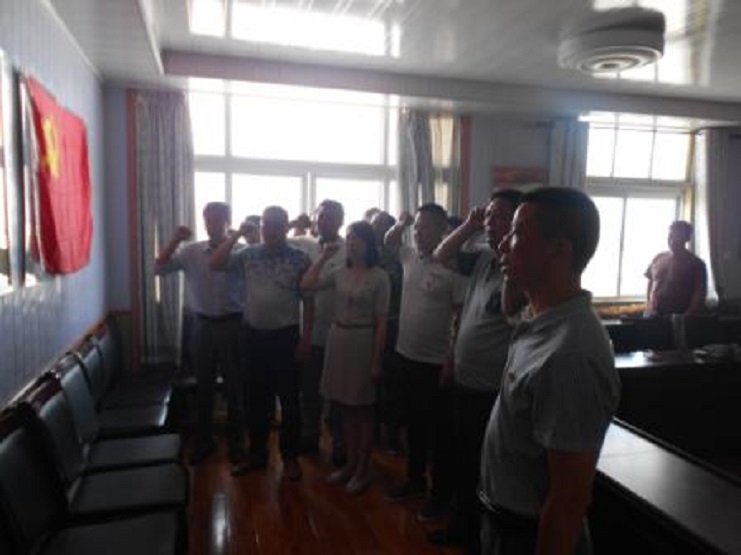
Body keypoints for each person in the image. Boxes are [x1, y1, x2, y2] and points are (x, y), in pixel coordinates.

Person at [479, 187, 621, 555]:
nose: (503, 243)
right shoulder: (539, 319)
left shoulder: (570, 353)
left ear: (559, 249)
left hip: (527, 537)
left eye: (517, 232)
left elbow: (569, 499)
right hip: (503, 524)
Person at [426, 189, 522, 552]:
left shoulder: (519, 270)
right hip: (464, 381)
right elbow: (439, 255)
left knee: (484, 469)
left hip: (492, 392)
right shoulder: (484, 260)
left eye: (501, 217)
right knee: (461, 463)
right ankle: (462, 528)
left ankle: (479, 537)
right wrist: (469, 224)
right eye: (489, 216)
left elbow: (515, 315)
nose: (491, 223)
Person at [211, 206, 313, 481]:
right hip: (253, 337)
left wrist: (306, 339)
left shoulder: (300, 258)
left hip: (285, 338)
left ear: (285, 226)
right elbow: (216, 263)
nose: (270, 229)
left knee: (289, 402)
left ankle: (290, 458)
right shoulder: (248, 253)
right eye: (266, 224)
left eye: (276, 224)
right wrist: (236, 236)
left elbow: (309, 302)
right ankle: (257, 453)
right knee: (255, 400)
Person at [383, 204, 466, 524]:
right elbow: (389, 241)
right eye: (417, 226)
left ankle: (440, 494)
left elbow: (459, 319)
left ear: (443, 230)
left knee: (440, 435)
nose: (418, 232)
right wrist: (402, 223)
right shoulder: (409, 257)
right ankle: (414, 480)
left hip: (436, 364)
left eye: (425, 226)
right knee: (413, 426)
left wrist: (450, 360)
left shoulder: (453, 269)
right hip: (406, 356)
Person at [154, 202, 246, 470]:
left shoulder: (241, 250)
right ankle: (204, 441)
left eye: (218, 219)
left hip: (233, 324)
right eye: (208, 220)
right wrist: (175, 239)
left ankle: (237, 443)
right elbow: (159, 268)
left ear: (228, 221)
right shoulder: (191, 251)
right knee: (204, 387)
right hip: (202, 325)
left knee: (234, 387)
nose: (212, 224)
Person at [300, 221, 390, 495]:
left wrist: (376, 361)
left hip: (363, 340)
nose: (351, 243)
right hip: (338, 339)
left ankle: (363, 469)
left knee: (363, 408)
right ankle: (350, 465)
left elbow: (382, 323)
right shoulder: (339, 271)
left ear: (369, 244)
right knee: (345, 408)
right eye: (349, 238)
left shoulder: (380, 277)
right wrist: (323, 257)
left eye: (357, 238)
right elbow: (307, 284)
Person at [294, 200, 347, 466]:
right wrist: (294, 223)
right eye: (321, 216)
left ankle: (339, 443)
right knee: (309, 390)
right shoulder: (303, 244)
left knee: (337, 392)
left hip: (339, 332)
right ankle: (310, 436)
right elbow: (265, 238)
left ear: (341, 221)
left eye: (332, 217)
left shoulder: (348, 249)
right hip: (310, 331)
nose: (325, 221)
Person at [370, 210, 404, 455]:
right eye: (374, 226)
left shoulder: (401, 256)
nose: (376, 230)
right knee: (368, 381)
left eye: (381, 226)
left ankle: (392, 435)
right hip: (367, 325)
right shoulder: (367, 255)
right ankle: (371, 430)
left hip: (392, 325)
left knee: (391, 382)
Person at [645, 220, 708, 316]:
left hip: (680, 315)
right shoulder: (658, 258)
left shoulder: (696, 264)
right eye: (670, 236)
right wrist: (649, 304)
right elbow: (650, 282)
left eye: (677, 237)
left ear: (687, 238)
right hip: (654, 313)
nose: (672, 240)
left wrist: (688, 315)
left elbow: (700, 292)